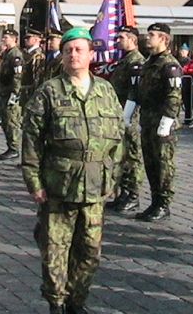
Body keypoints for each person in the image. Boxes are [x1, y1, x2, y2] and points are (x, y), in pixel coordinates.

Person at [22, 27, 124, 314]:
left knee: (90, 253)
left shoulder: (105, 90)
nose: (73, 55)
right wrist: (34, 182)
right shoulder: (50, 92)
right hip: (58, 186)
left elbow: (119, 138)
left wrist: (113, 176)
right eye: (68, 50)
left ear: (91, 54)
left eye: (79, 49)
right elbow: (31, 139)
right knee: (55, 252)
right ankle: (56, 303)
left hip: (94, 187)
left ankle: (76, 301)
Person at [126, 23, 182, 222]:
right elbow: (138, 89)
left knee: (163, 164)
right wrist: (129, 113)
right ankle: (155, 201)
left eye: (152, 35)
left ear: (164, 39)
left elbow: (174, 96)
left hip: (161, 121)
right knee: (150, 162)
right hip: (147, 119)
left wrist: (167, 121)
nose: (147, 38)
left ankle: (164, 203)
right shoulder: (149, 62)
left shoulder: (170, 65)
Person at [108, 25, 145, 212]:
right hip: (119, 114)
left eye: (122, 37)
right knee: (120, 156)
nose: (118, 40)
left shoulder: (136, 62)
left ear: (132, 39)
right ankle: (123, 192)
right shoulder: (125, 60)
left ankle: (133, 195)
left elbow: (135, 91)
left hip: (129, 117)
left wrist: (127, 116)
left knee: (131, 156)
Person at [0, 28, 23, 161]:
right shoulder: (7, 53)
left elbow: (17, 76)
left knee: (12, 121)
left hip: (10, 93)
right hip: (4, 91)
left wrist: (15, 93)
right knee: (6, 120)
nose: (3, 39)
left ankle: (14, 147)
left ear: (14, 39)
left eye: (6, 37)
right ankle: (10, 146)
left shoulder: (15, 54)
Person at [20, 28, 45, 105]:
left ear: (35, 40)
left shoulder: (38, 55)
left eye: (28, 38)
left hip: (30, 91)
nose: (25, 40)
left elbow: (36, 77)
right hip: (23, 91)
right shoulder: (25, 53)